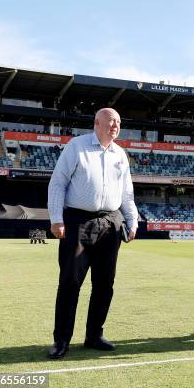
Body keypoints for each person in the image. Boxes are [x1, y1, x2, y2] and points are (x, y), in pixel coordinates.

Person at [46, 108, 137, 359]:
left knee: (104, 284)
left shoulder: (120, 154)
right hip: (78, 221)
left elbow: (126, 192)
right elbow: (58, 183)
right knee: (70, 282)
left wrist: (132, 220)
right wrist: (56, 219)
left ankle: (94, 335)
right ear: (97, 122)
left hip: (111, 222)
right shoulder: (77, 146)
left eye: (118, 122)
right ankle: (61, 340)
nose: (115, 126)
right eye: (111, 121)